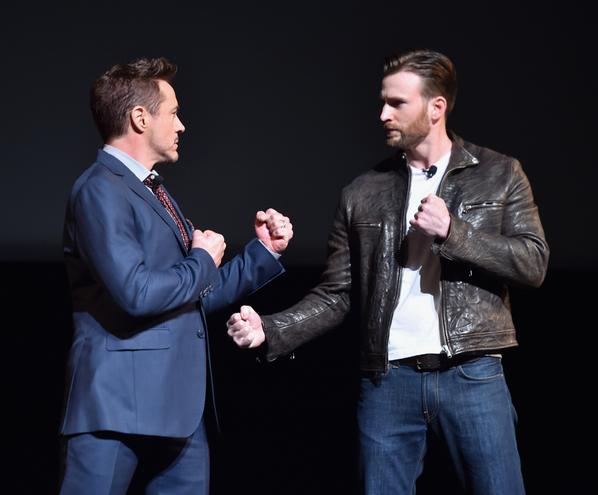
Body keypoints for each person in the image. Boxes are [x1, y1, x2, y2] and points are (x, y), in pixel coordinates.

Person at [226, 49, 549, 494]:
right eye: (383, 102)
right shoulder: (362, 192)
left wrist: (454, 232)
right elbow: (337, 293)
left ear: (436, 107)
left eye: (397, 103)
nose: (383, 114)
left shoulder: (499, 174)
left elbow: (533, 262)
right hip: (388, 380)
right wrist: (271, 328)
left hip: (471, 373)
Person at [59, 56, 294, 495]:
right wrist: (202, 258)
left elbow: (193, 293)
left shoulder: (154, 190)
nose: (181, 125)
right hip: (116, 407)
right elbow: (137, 293)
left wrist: (264, 252)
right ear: (140, 117)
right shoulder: (100, 189)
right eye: (174, 113)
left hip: (178, 409)